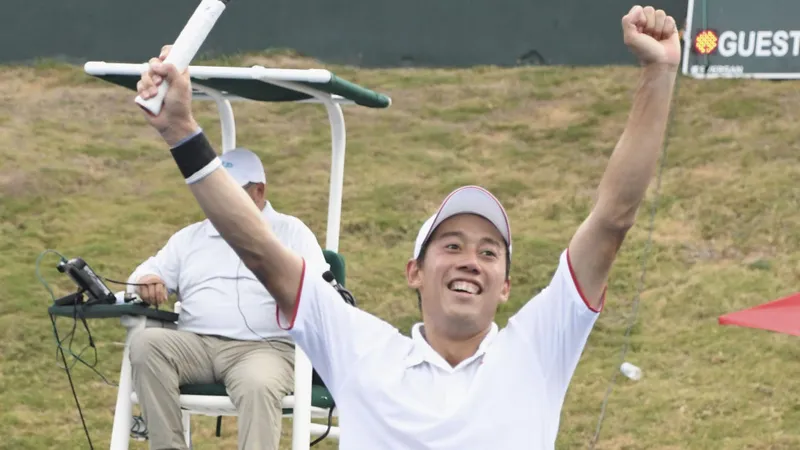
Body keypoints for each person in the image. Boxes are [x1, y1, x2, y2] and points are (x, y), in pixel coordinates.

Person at [133, 4, 680, 448]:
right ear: (414, 271)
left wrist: (658, 75)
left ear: (507, 286)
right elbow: (258, 247)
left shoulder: (539, 347)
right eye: (453, 244)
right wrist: (182, 132)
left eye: (491, 252)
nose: (471, 259)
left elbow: (613, 219)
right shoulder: (362, 348)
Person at [126, 147, 330, 450]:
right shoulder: (190, 237)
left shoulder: (291, 232)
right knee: (146, 344)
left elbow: (323, 291)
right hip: (197, 345)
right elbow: (139, 278)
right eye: (213, 191)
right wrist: (146, 282)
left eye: (230, 192)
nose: (219, 201)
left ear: (259, 191)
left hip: (266, 348)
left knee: (257, 384)